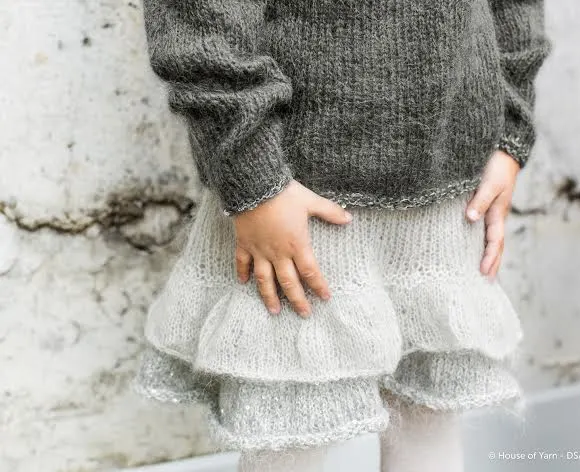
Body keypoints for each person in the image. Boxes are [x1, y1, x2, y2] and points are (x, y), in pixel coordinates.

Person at [133, 1, 552, 471]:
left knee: (429, 418)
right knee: (290, 426)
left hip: (450, 185)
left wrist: (510, 133)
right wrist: (254, 176)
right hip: (294, 201)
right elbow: (202, 16)